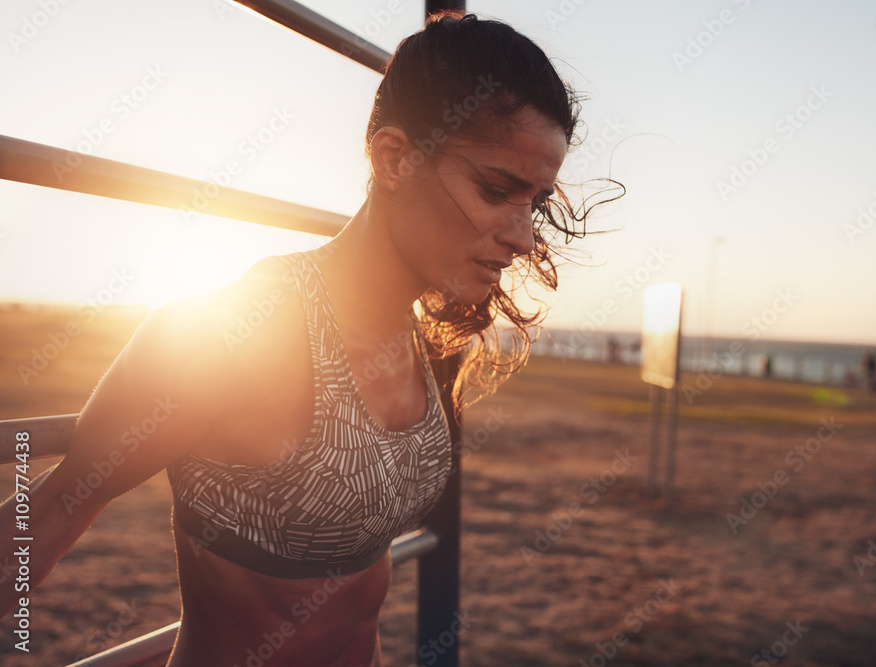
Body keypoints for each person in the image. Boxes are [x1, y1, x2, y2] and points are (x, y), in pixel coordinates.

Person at [0, 12, 619, 666]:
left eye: (537, 202)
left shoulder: (431, 337)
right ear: (394, 157)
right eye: (497, 190)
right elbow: (47, 515)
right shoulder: (250, 327)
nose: (523, 236)